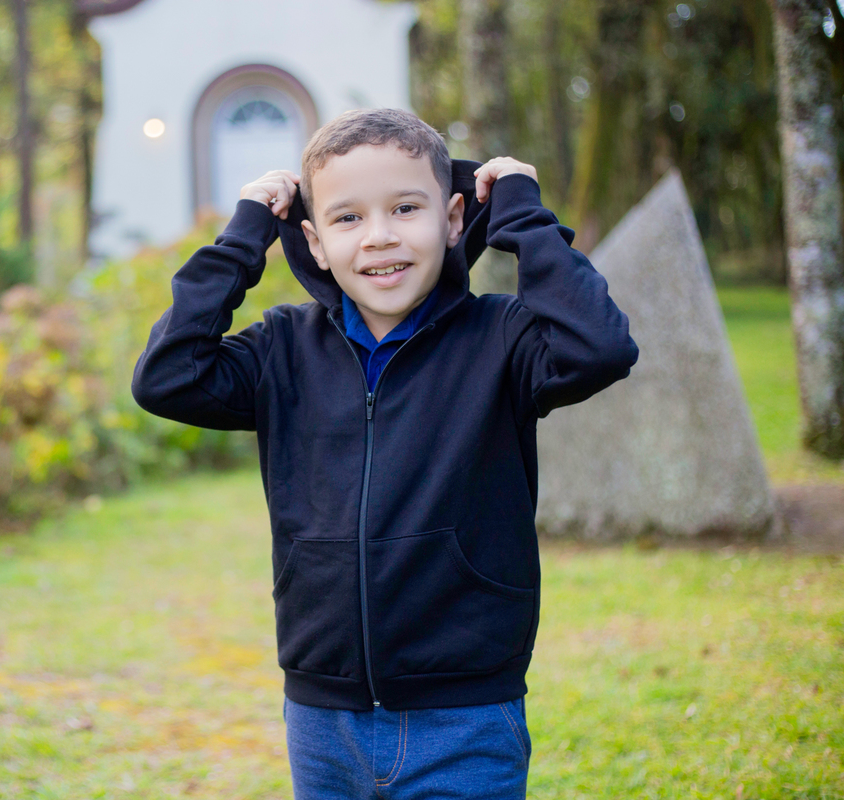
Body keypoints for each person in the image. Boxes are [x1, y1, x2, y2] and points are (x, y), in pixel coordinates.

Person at [131, 107, 638, 799]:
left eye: (406, 207)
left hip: (465, 716)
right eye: (347, 219)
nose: (380, 237)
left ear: (454, 218)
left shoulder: (502, 340)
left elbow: (600, 346)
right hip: (322, 717)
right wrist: (249, 229)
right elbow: (167, 376)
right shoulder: (281, 349)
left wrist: (520, 212)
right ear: (311, 241)